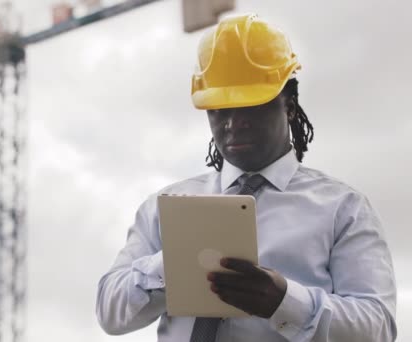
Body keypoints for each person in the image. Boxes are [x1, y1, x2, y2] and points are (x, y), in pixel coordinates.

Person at [95, 13, 397, 341]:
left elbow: (377, 327)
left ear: (290, 104)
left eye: (251, 104)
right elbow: (110, 313)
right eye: (219, 108)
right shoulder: (165, 207)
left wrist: (285, 302)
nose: (233, 122)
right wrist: (173, 264)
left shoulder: (344, 209)